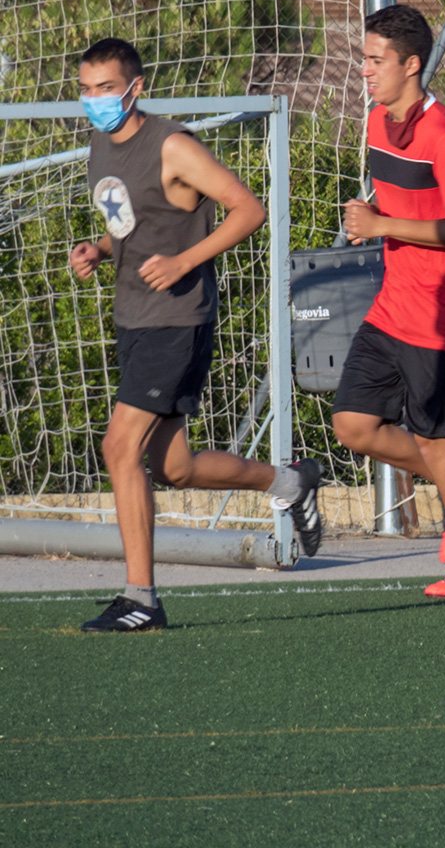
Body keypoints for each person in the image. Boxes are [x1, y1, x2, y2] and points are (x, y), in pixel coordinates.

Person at [71, 38, 323, 632]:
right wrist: (99, 249)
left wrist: (184, 262)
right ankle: (291, 481)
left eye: (105, 88)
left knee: (118, 447)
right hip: (134, 317)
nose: (94, 99)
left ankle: (141, 599)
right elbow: (134, 224)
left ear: (135, 88)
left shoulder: (173, 146)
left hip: (177, 320)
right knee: (174, 467)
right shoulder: (101, 145)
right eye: (85, 89)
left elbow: (248, 209)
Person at [328, 5, 445, 598]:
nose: (365, 70)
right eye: (365, 58)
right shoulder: (377, 121)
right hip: (396, 301)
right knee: (353, 424)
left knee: (434, 439)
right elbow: (405, 207)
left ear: (411, 65)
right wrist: (377, 218)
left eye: (376, 60)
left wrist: (382, 226)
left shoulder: (443, 134)